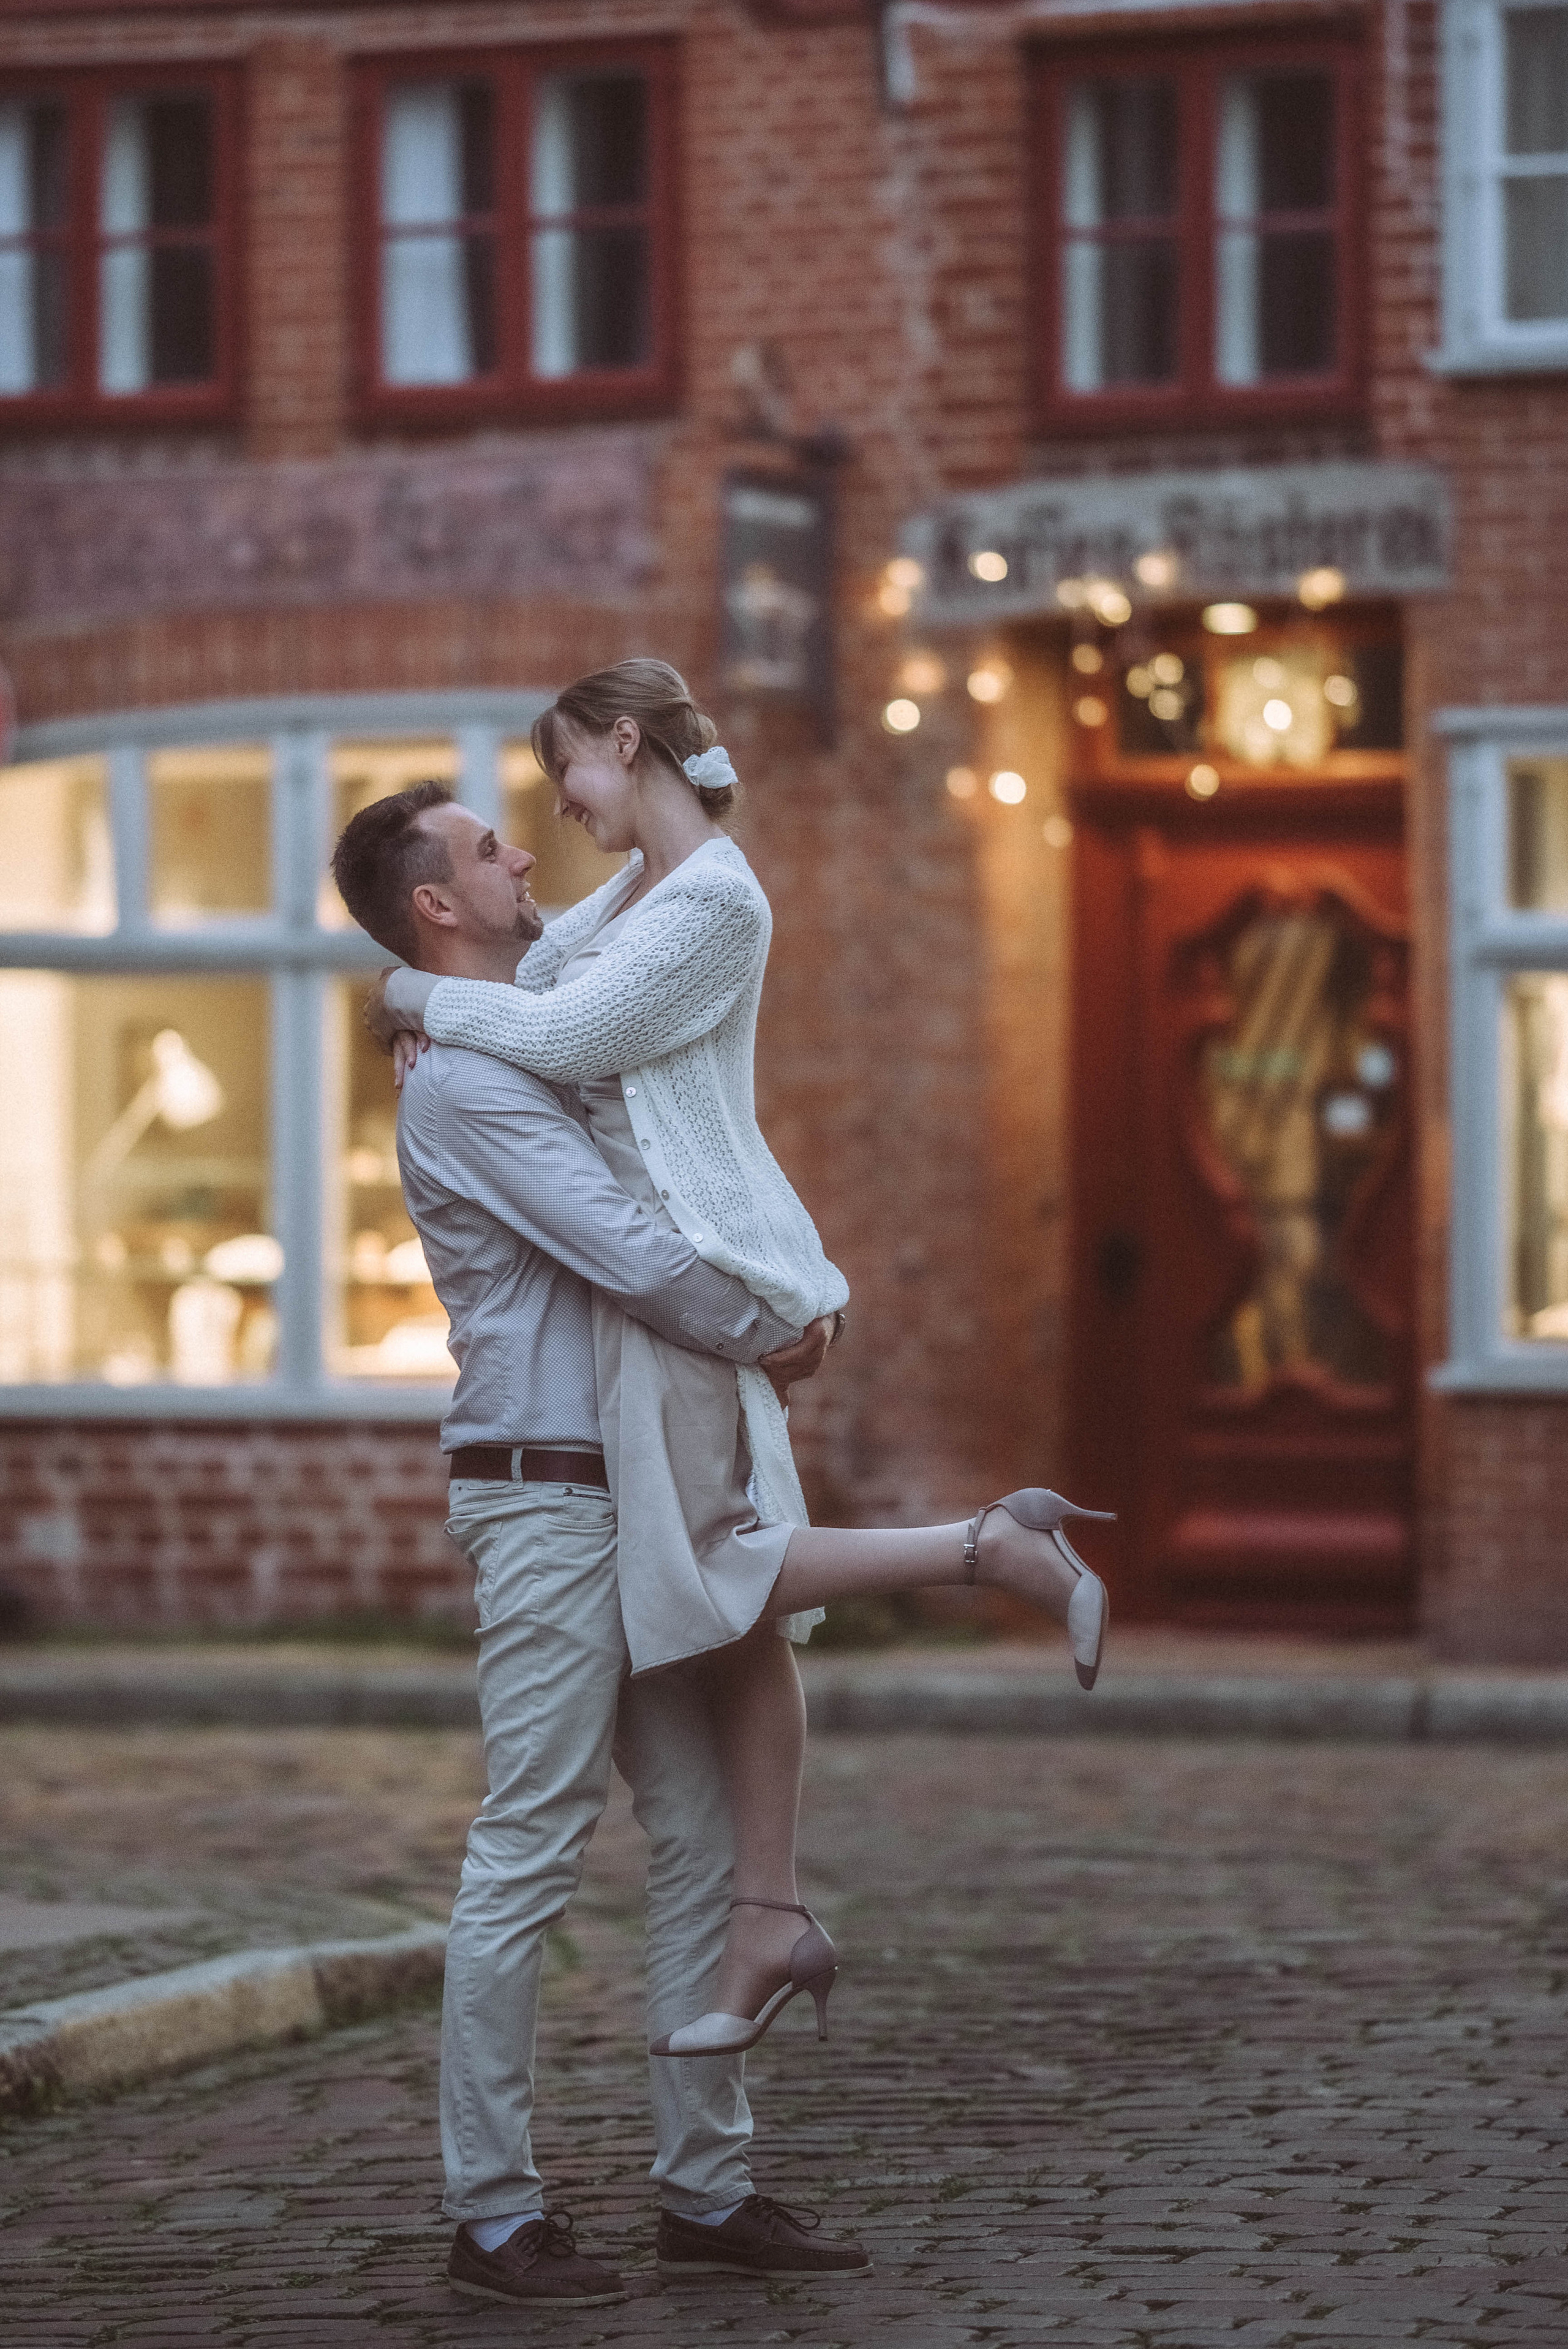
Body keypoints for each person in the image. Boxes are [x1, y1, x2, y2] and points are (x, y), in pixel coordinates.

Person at [364, 659, 1115, 2067]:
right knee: (730, 1605)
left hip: (701, 1287)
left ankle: (985, 1550)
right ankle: (764, 1921)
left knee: (726, 1574)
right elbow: (544, 986)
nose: (541, 824)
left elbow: (566, 1031)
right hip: (652, 1338)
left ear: (623, 742)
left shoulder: (713, 899)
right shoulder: (625, 906)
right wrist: (423, 1001)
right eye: (493, 842)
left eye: (560, 774)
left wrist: (407, 990)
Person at [329, 787, 873, 2306]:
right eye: (486, 849)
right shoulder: (468, 1089)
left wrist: (405, 997)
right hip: (547, 1495)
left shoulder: (516, 1035)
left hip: (626, 1487)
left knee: (694, 1832)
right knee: (531, 1839)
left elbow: (627, 940)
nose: (522, 855)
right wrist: (779, 1326)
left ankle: (706, 2188)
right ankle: (491, 2212)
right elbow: (630, 1253)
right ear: (436, 906)